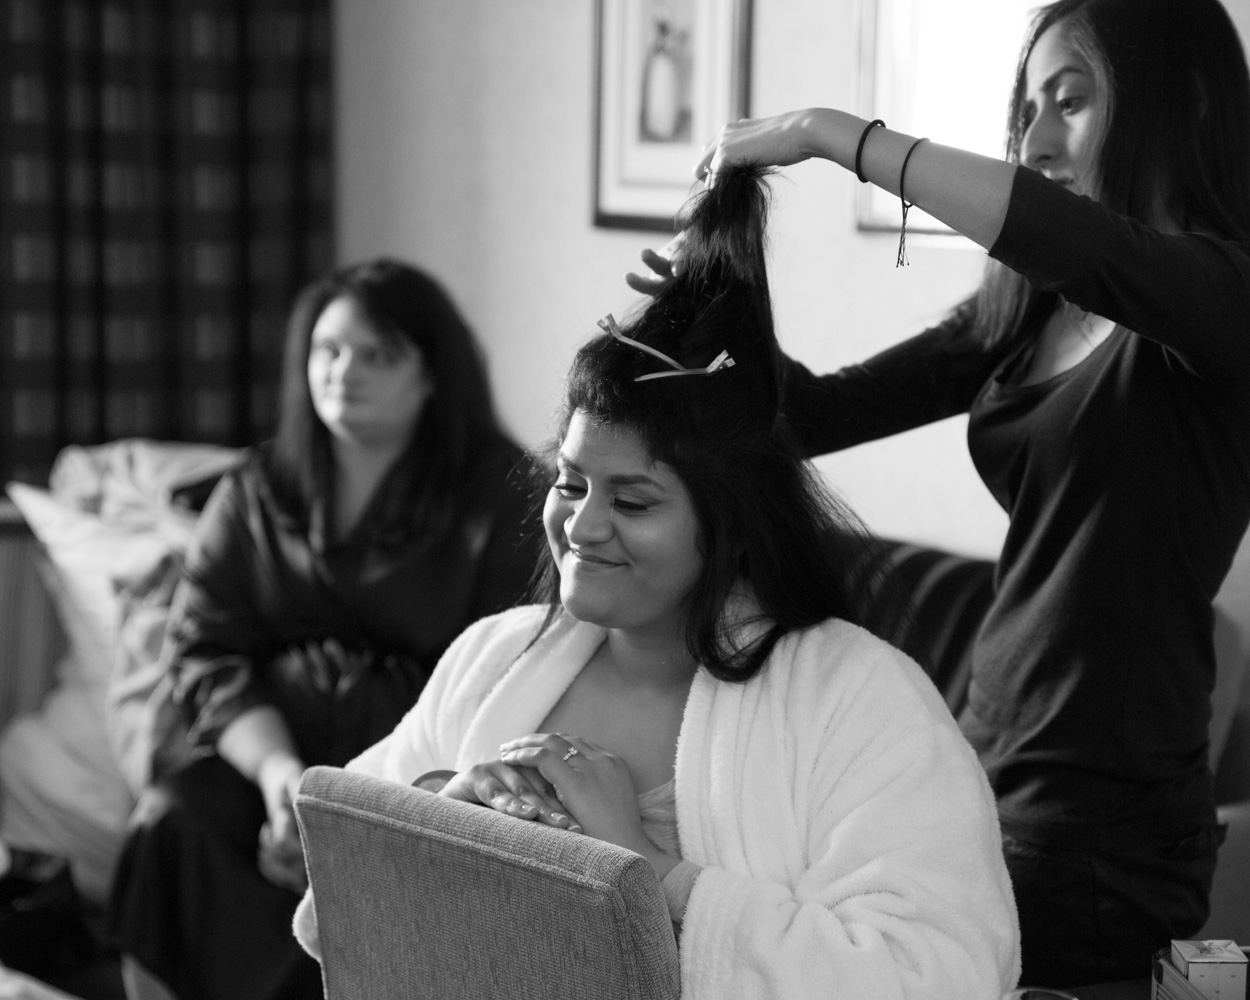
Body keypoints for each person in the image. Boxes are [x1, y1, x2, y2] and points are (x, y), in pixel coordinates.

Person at [627, 0, 1250, 988]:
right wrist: (715, 302)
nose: (1035, 140)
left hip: (1102, 824)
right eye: (1026, 110)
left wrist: (828, 132)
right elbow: (813, 416)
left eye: (1071, 101)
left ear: (1189, 100)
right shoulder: (1035, 309)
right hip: (973, 767)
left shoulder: (1224, 298)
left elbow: (1076, 239)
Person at [293, 169, 1020, 1000]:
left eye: (633, 501)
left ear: (731, 523)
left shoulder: (858, 700)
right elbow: (335, 895)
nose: (582, 526)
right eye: (570, 484)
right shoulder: (492, 659)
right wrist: (446, 815)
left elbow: (941, 972)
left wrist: (645, 873)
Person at [108, 258, 540, 1000]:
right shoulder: (256, 489)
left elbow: (509, 675)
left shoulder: (502, 499)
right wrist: (280, 781)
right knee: (169, 822)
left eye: (377, 355)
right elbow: (206, 652)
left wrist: (350, 807)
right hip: (275, 756)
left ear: (432, 375)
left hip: (419, 781)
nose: (344, 373)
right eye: (328, 350)